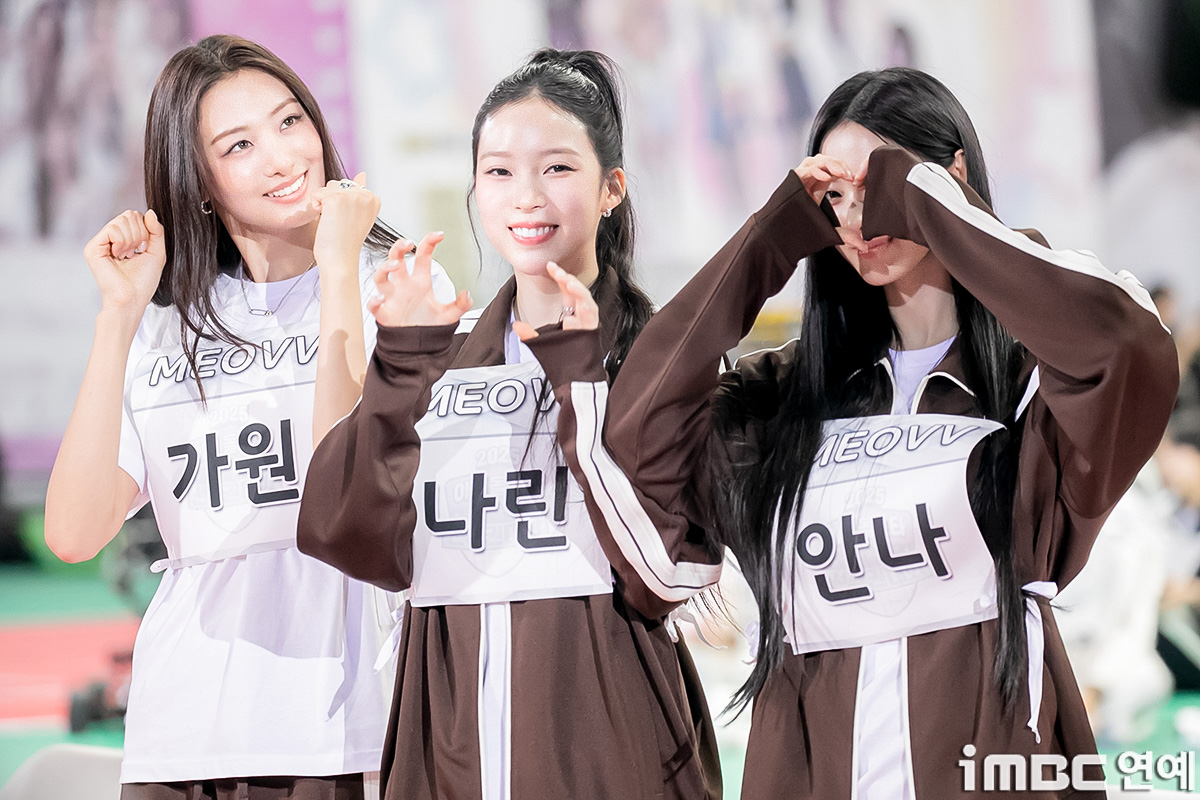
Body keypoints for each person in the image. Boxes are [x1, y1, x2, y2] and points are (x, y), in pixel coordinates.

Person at [521, 67, 1179, 799]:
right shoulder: (781, 398)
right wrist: (770, 239)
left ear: (951, 176)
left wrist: (935, 206)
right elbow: (638, 431)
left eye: (882, 183)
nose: (861, 216)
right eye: (835, 196)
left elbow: (1128, 345)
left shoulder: (1030, 388)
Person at [297, 49, 722, 800]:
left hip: (611, 748)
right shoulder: (436, 357)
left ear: (612, 188)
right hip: (448, 744)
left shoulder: (660, 360)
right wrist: (400, 361)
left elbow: (666, 565)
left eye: (557, 168)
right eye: (498, 172)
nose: (526, 196)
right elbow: (345, 532)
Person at [44, 34, 454, 799]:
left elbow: (344, 493)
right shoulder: (164, 323)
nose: (282, 156)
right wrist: (119, 317)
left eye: (290, 121)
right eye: (239, 145)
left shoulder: (400, 285)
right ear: (199, 182)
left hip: (342, 728)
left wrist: (338, 266)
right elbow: (72, 532)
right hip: (180, 735)